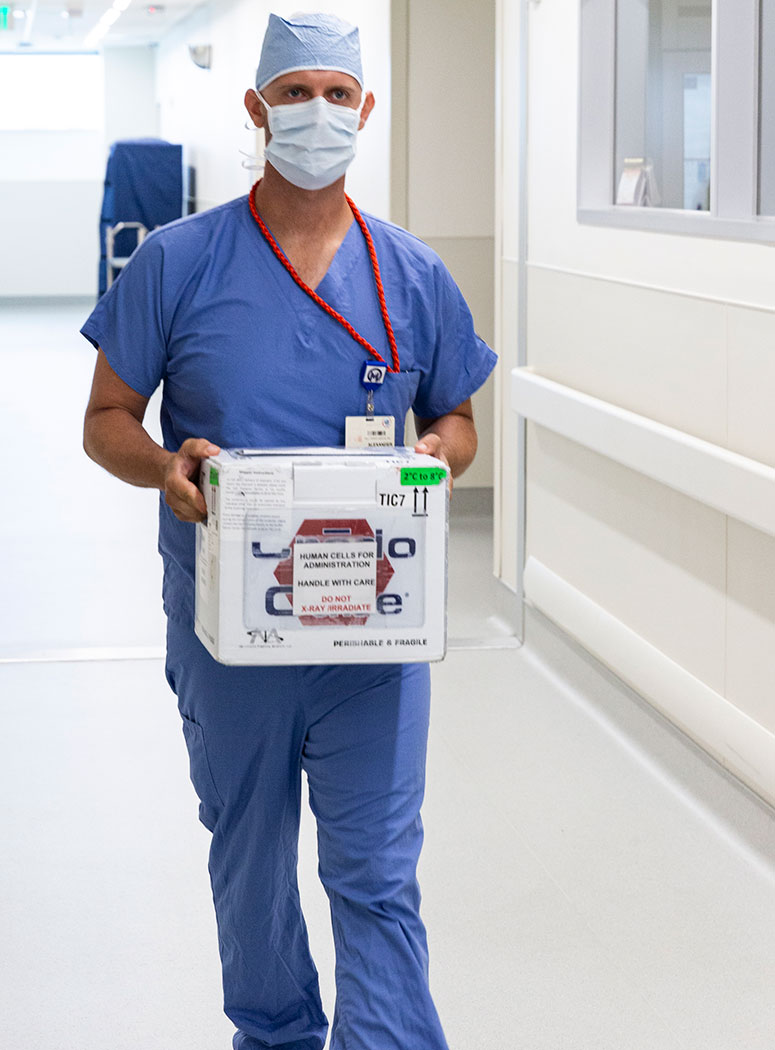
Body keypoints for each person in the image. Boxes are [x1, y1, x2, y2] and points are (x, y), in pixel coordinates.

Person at [82, 13, 496, 1050]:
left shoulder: (413, 277)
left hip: (372, 638)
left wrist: (438, 457)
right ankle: (273, 1035)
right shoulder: (179, 263)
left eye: (338, 93)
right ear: (256, 110)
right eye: (296, 92)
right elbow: (106, 422)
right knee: (250, 853)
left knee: (375, 869)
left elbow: (457, 420)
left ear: (367, 110)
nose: (319, 112)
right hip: (236, 636)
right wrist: (166, 466)